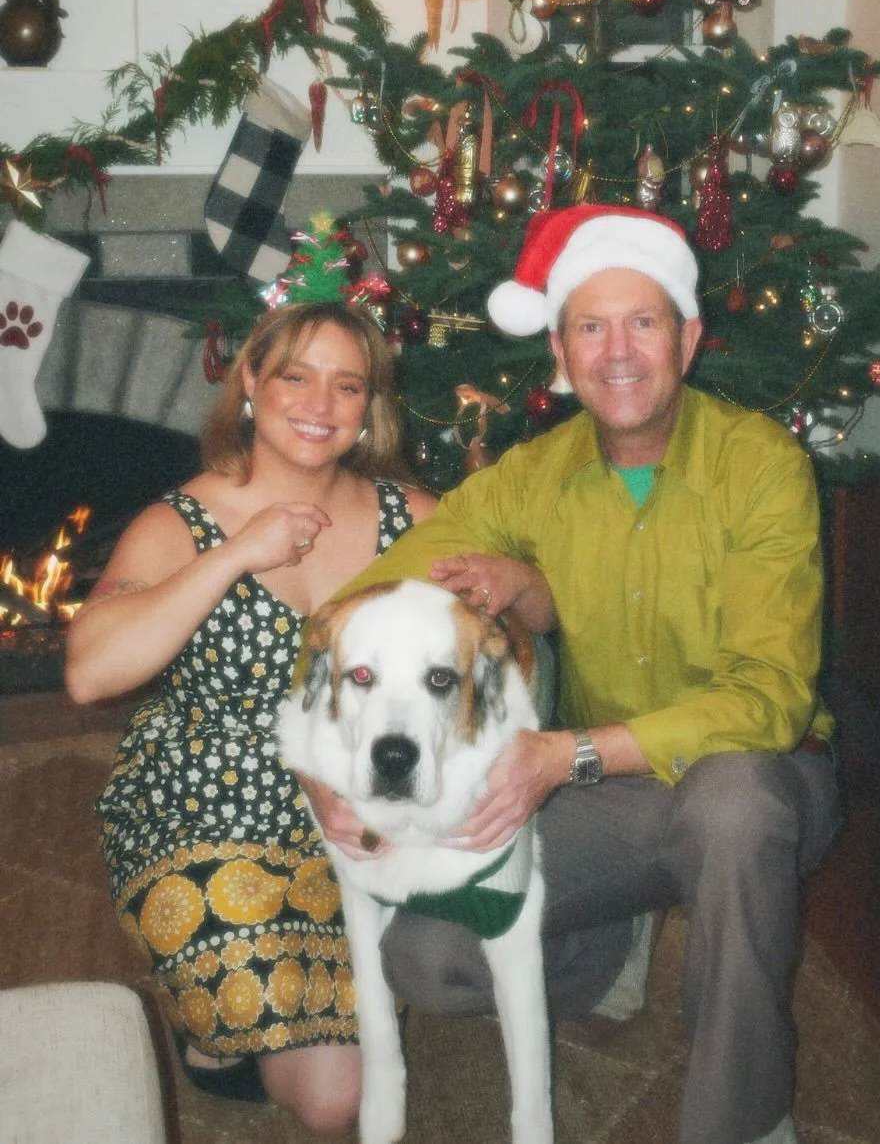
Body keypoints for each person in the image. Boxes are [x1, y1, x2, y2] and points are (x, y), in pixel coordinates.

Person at [302, 205, 842, 1144]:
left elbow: (767, 700)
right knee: (432, 958)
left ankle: (744, 1120)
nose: (619, 352)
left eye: (644, 322)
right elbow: (363, 602)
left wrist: (566, 755)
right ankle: (607, 938)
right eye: (592, 327)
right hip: (615, 791)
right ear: (559, 347)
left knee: (730, 809)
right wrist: (320, 760)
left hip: (765, 771)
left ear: (691, 336)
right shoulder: (535, 474)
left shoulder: (763, 467)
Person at [65, 297, 548, 1135]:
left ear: (370, 409)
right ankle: (212, 1028)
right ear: (250, 380)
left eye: (347, 385)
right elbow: (87, 673)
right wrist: (236, 555)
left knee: (344, 1090)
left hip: (366, 799)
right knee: (330, 1098)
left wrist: (512, 589)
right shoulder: (178, 521)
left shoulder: (415, 517)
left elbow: (514, 637)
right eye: (295, 376)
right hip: (209, 801)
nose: (320, 404)